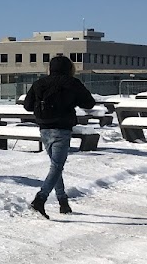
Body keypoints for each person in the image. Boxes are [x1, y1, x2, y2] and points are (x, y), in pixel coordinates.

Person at [22, 55, 97, 218]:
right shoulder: (72, 83)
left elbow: (27, 106)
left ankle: (63, 201)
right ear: (69, 68)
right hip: (62, 129)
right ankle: (40, 199)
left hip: (44, 129)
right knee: (57, 166)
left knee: (56, 166)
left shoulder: (39, 83)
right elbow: (89, 103)